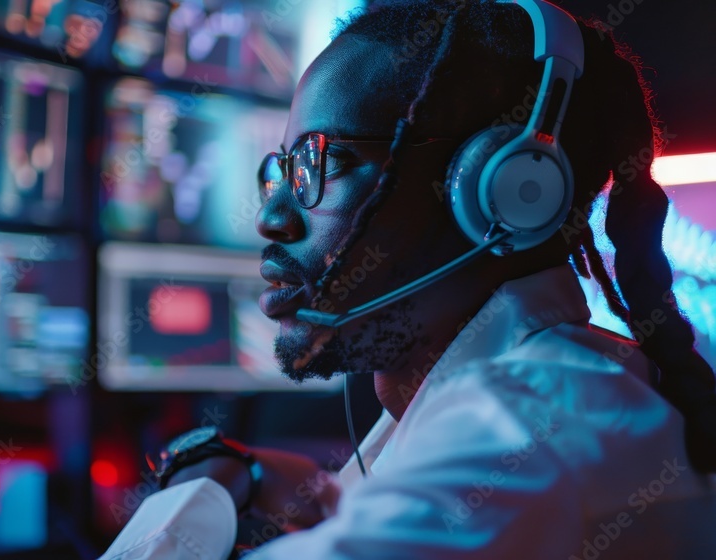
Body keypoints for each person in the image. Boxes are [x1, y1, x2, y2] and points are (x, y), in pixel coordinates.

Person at [100, 1, 716, 558]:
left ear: (502, 190)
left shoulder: (529, 428)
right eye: (280, 170)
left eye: (323, 160)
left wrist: (197, 489)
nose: (271, 216)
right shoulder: (509, 403)